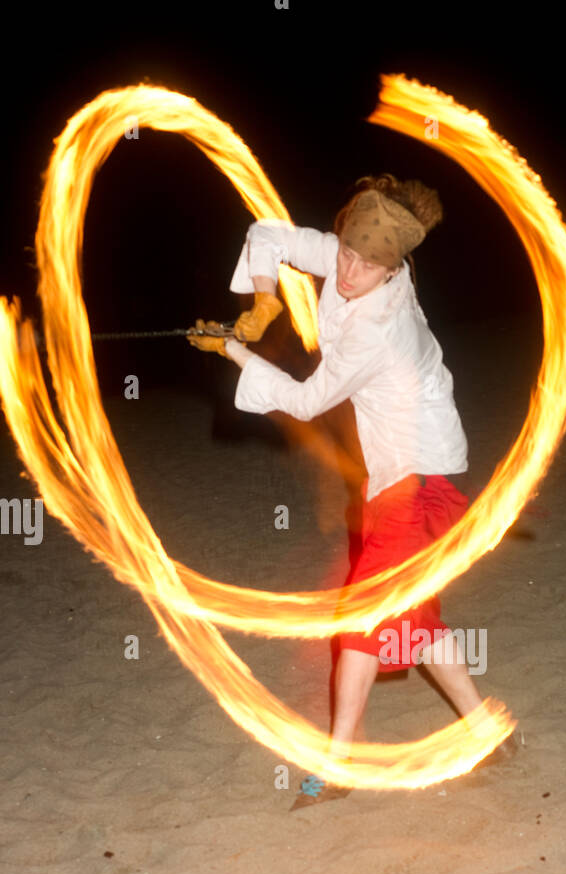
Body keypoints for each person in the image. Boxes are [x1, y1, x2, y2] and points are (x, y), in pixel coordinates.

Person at [188, 173, 517, 808]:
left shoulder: (379, 327)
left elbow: (309, 401)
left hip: (419, 479)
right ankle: (486, 731)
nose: (347, 273)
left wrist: (234, 352)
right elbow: (267, 236)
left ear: (392, 270)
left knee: (363, 617)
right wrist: (262, 304)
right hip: (409, 472)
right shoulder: (349, 256)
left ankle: (341, 761)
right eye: (344, 253)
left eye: (366, 266)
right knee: (409, 619)